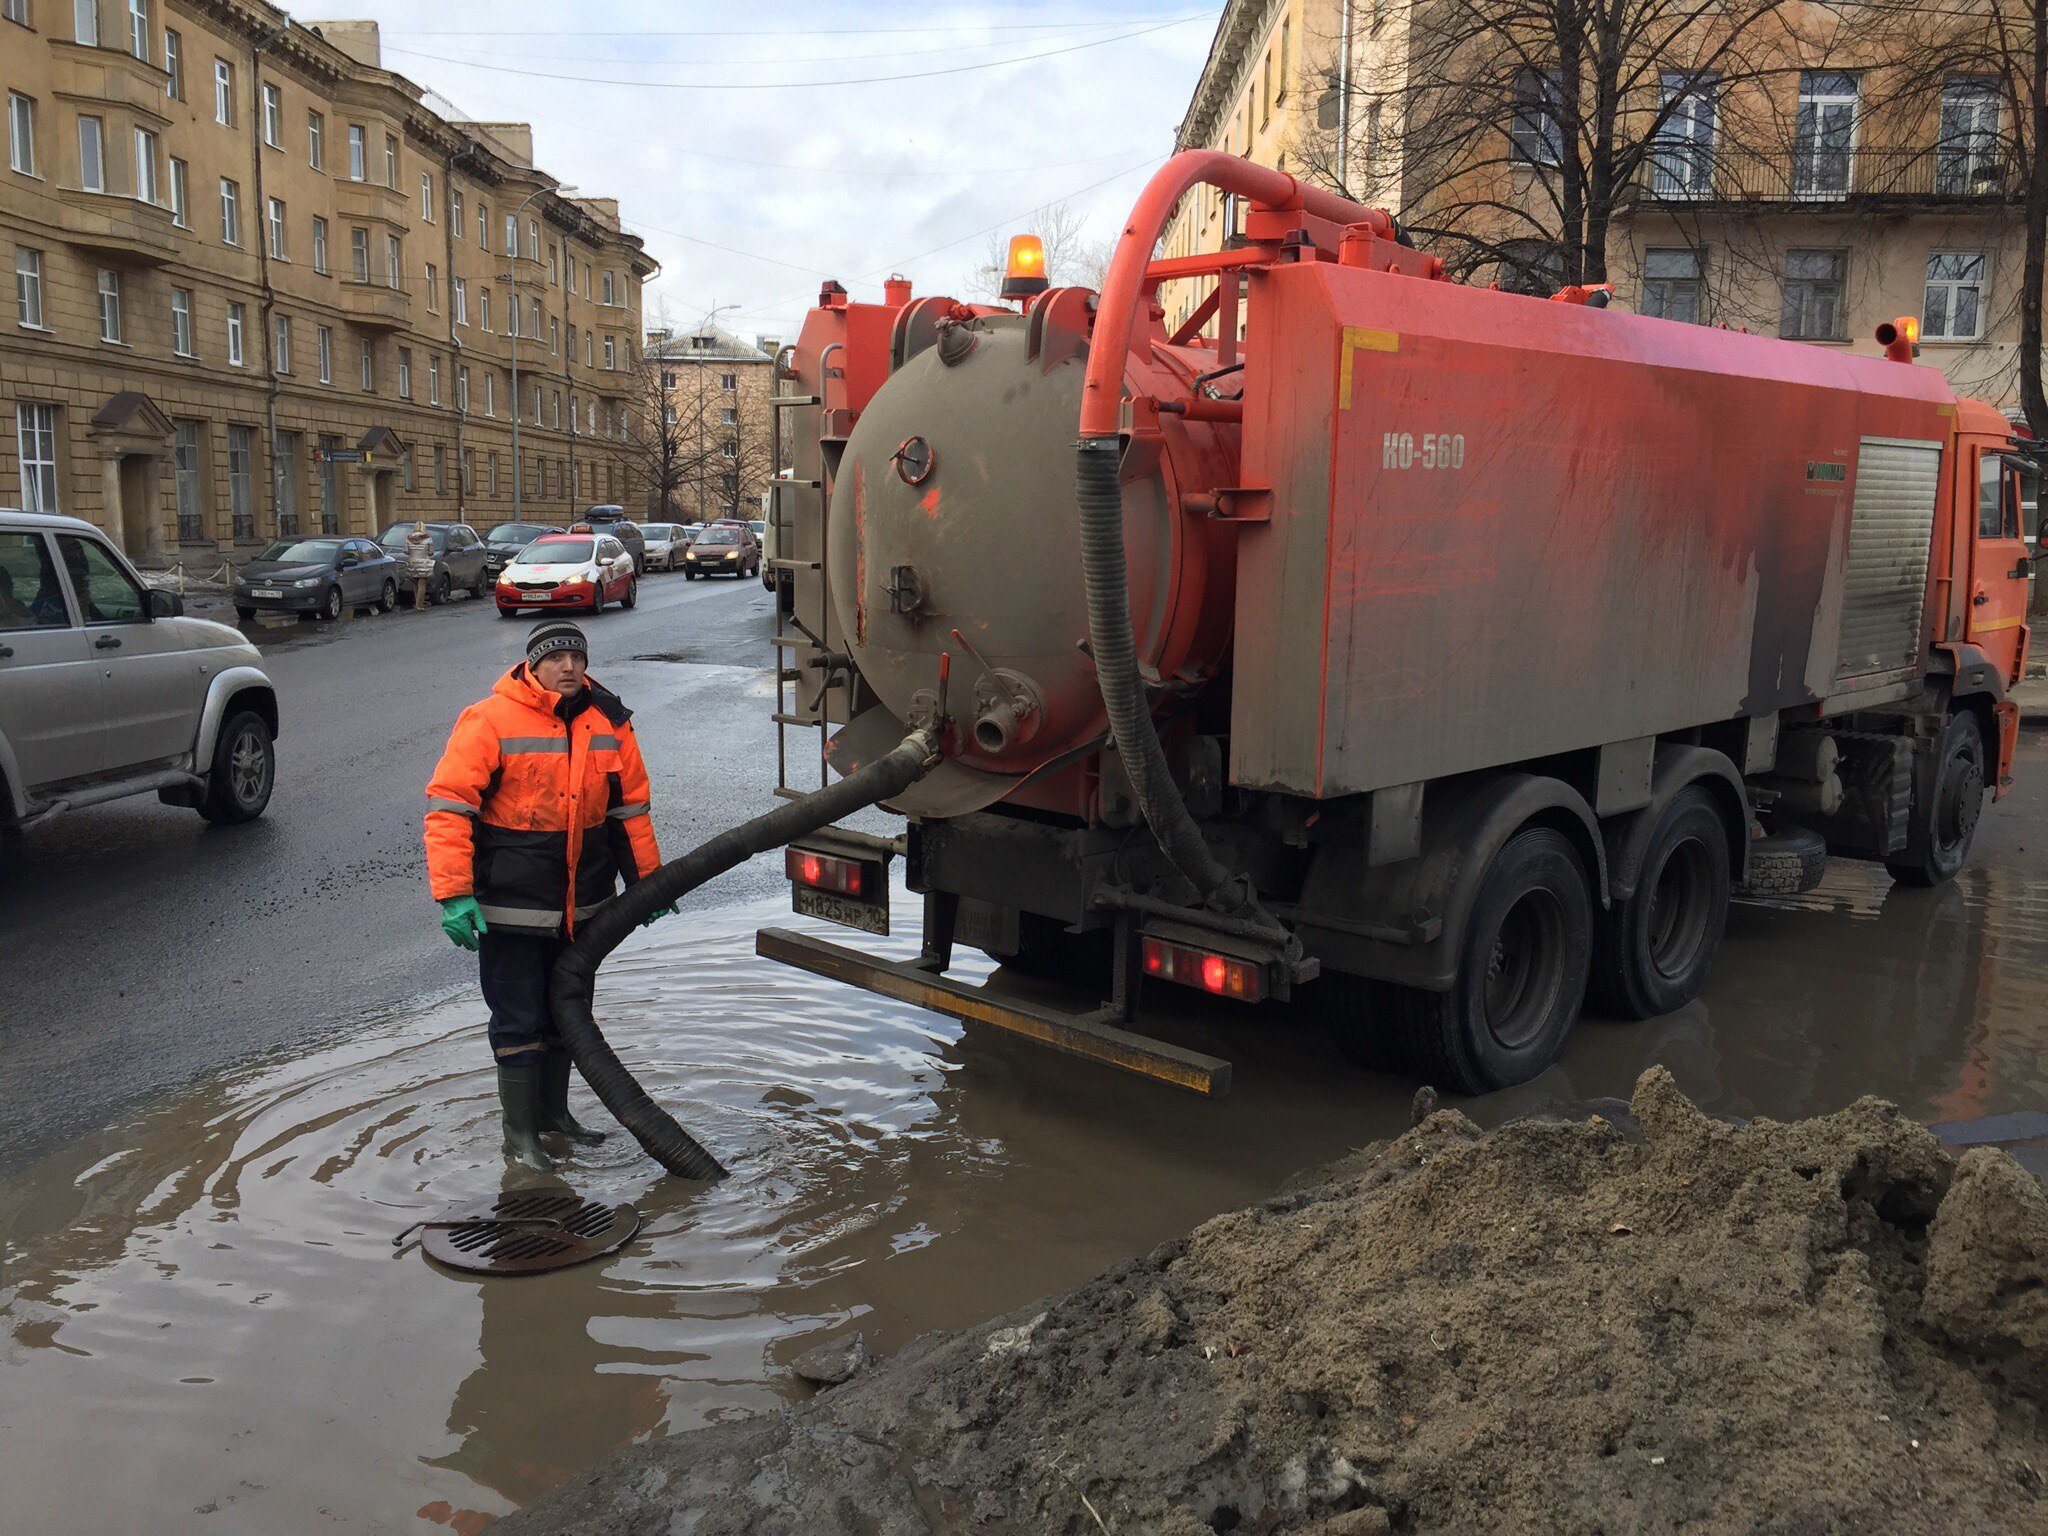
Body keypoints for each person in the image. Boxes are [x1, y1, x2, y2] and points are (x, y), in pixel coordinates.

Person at [423, 619, 676, 1169]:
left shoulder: (609, 720)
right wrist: (454, 894)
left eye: (576, 657)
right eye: (556, 657)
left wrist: (648, 885)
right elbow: (450, 808)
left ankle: (554, 1118)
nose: (568, 666)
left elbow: (629, 811)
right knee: (519, 1021)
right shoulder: (488, 719)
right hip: (510, 908)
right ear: (533, 664)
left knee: (568, 1013)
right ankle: (520, 1138)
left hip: (581, 908)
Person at [405, 521, 436, 607]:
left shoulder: (409, 538)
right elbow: (431, 553)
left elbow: (406, 551)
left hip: (412, 563)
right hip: (423, 564)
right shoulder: (428, 538)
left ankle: (417, 603)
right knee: (422, 584)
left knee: (415, 584)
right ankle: (419, 605)